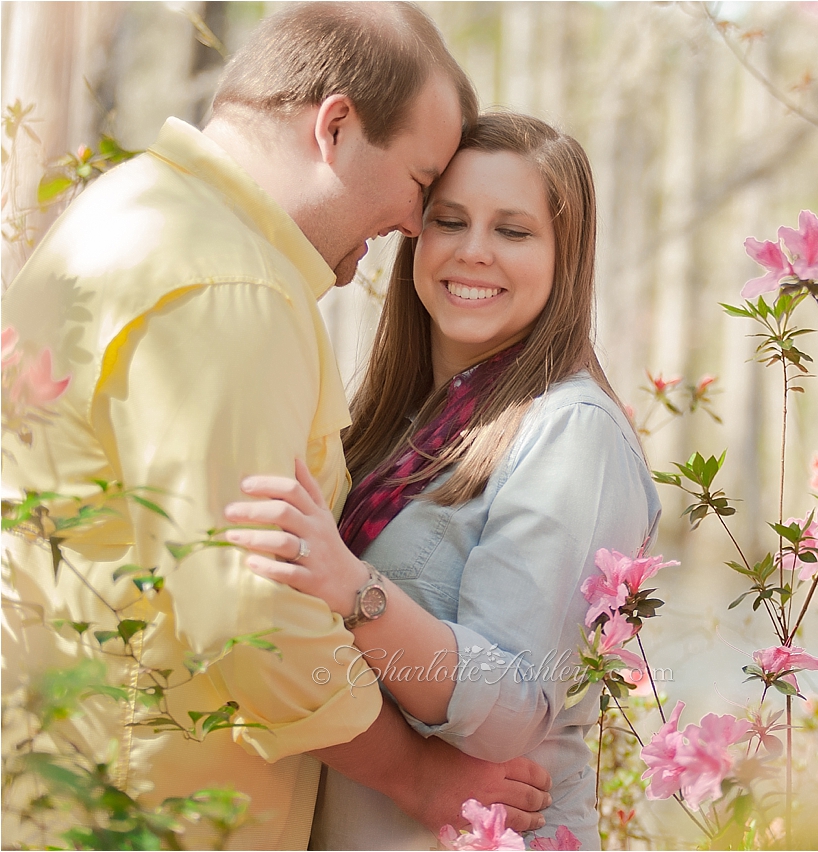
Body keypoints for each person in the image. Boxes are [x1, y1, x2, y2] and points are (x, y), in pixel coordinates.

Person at [0, 4, 552, 848]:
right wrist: (418, 775)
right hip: (147, 821)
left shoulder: (131, 209)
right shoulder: (231, 289)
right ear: (334, 127)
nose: (414, 224)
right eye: (419, 180)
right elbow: (244, 613)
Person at [223, 112, 662, 849]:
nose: (474, 252)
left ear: (567, 257)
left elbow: (515, 707)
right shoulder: (398, 421)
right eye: (449, 220)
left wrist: (353, 590)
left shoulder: (571, 432)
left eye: (514, 231)